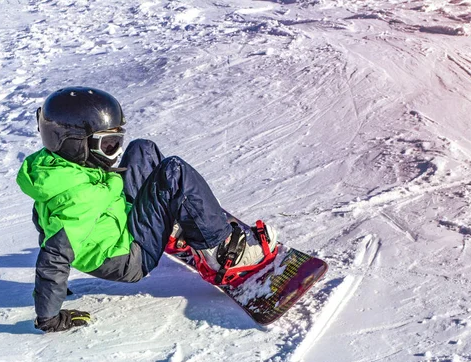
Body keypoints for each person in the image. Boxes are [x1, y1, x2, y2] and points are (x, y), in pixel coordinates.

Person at [16, 87, 278, 333]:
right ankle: (222, 254)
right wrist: (50, 316)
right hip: (130, 259)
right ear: (74, 143)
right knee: (174, 171)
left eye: (117, 142)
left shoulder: (55, 169)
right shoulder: (79, 197)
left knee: (143, 149)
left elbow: (43, 222)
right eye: (109, 145)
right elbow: (54, 254)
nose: (116, 152)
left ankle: (173, 223)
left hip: (120, 223)